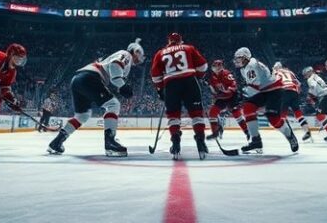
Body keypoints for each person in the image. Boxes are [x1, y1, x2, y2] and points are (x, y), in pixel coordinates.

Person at [48, 39, 144, 157]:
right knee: (114, 105)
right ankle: (110, 143)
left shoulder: (124, 59)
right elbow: (115, 65)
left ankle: (56, 142)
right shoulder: (126, 54)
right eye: (140, 54)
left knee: (82, 116)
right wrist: (122, 85)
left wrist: (120, 85)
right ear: (136, 51)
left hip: (78, 79)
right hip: (91, 77)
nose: (141, 58)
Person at [150, 32, 209, 160]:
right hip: (190, 82)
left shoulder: (160, 53)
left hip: (171, 85)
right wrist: (197, 76)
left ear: (169, 41)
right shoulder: (189, 48)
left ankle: (175, 142)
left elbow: (155, 75)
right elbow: (203, 66)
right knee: (197, 114)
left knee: (173, 116)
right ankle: (200, 141)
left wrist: (160, 89)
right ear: (181, 41)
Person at [233, 47, 299, 154]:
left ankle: (289, 135)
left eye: (239, 58)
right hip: (264, 91)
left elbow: (253, 89)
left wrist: (239, 95)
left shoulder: (251, 65)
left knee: (274, 120)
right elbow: (254, 89)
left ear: (246, 57)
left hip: (274, 90)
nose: (237, 60)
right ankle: (256, 141)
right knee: (248, 108)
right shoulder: (245, 68)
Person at [206, 59, 249, 141]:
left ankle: (247, 132)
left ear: (220, 67)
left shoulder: (226, 73)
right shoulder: (213, 77)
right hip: (222, 97)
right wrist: (210, 86)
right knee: (212, 112)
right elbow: (214, 91)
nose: (215, 68)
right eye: (214, 66)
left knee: (236, 113)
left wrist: (225, 91)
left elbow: (233, 86)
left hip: (232, 96)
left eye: (217, 66)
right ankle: (215, 133)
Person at [273, 62, 312, 141]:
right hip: (294, 91)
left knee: (282, 113)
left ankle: (288, 134)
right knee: (298, 113)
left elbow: (276, 82)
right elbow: (299, 84)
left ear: (276, 68)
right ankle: (307, 131)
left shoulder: (277, 72)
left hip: (284, 91)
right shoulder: (290, 72)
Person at [303, 66, 327, 142]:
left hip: (323, 96)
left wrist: (310, 96)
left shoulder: (310, 79)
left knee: (319, 116)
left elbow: (313, 88)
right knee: (324, 117)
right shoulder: (317, 76)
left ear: (309, 72)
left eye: (305, 74)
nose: (305, 76)